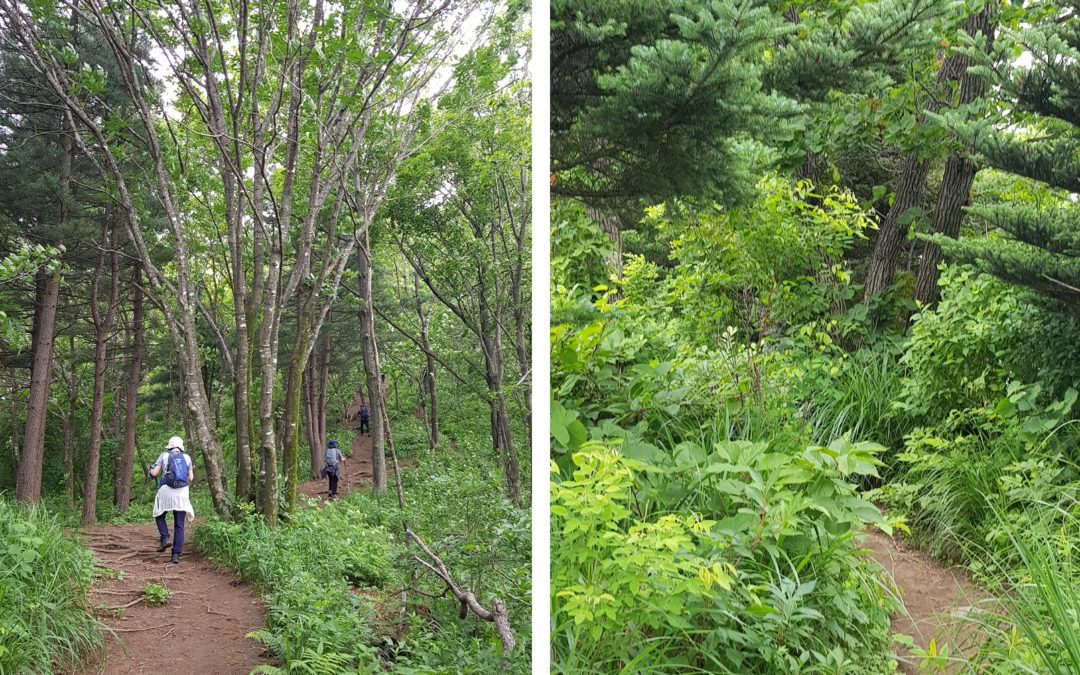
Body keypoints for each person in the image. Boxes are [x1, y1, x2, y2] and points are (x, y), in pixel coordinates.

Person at [147, 436, 195, 564]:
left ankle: (165, 537)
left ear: (170, 445)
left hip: (166, 491)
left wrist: (150, 470)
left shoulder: (164, 455)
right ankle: (175, 555)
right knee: (179, 525)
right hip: (182, 493)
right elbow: (190, 477)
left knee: (159, 515)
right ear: (181, 446)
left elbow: (155, 473)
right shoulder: (187, 458)